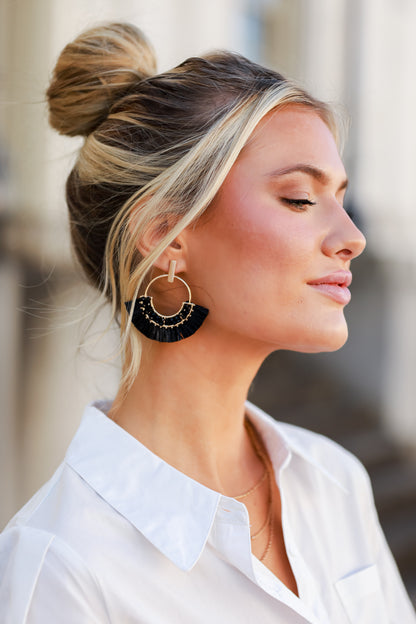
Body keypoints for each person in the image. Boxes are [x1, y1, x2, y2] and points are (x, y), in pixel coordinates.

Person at [0, 22, 414, 624]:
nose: (351, 239)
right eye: (300, 199)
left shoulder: (334, 481)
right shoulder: (60, 568)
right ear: (165, 235)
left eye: (342, 202)